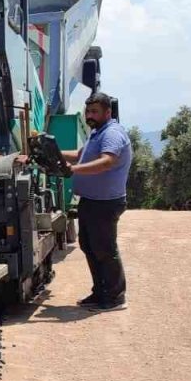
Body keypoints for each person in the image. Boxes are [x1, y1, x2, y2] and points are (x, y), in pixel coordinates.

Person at [61, 92, 132, 312]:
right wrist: (53, 153)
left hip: (105, 203)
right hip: (91, 201)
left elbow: (106, 162)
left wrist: (73, 170)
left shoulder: (111, 133)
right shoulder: (97, 132)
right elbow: (79, 155)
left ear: (107, 112)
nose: (89, 115)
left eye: (94, 112)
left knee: (104, 249)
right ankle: (100, 292)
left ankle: (115, 297)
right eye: (87, 111)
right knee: (89, 246)